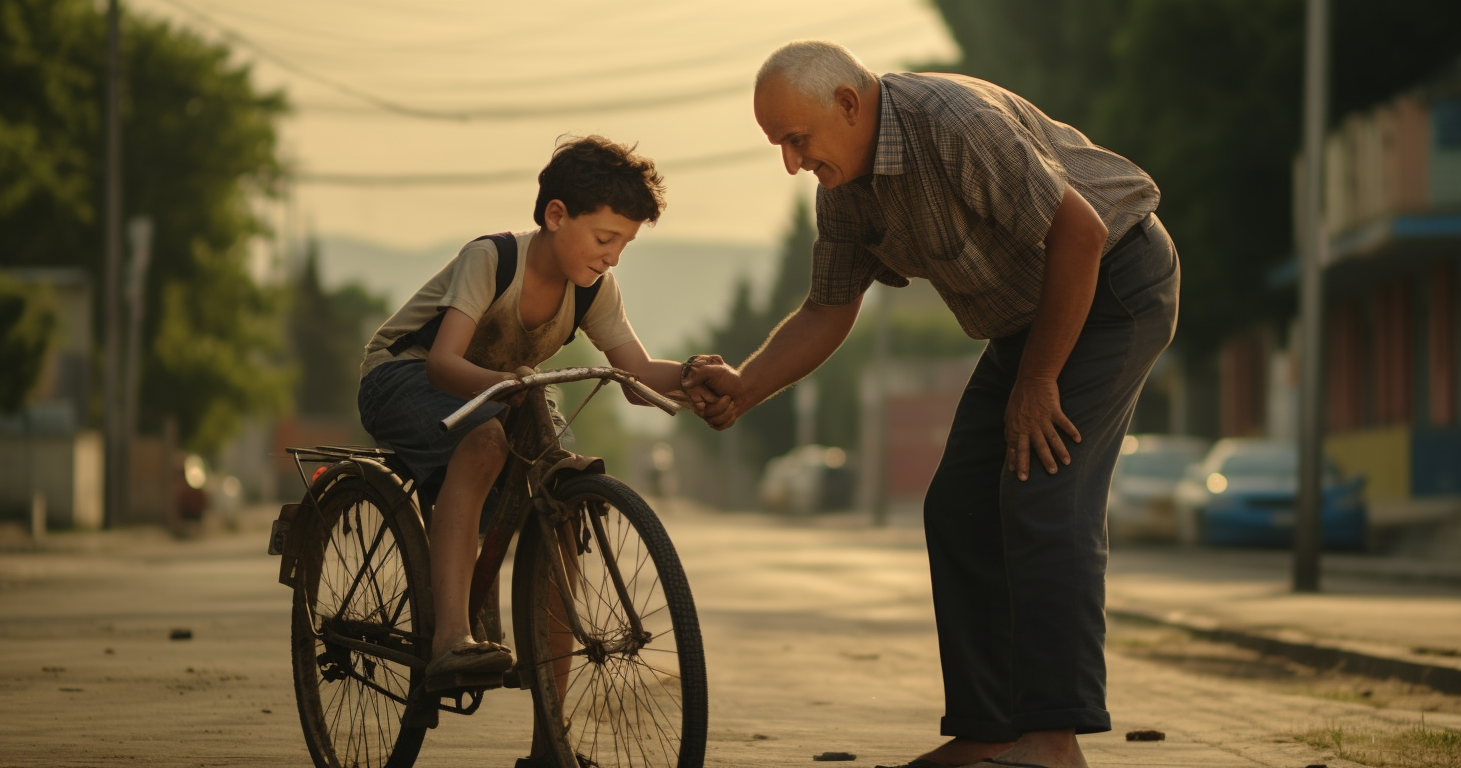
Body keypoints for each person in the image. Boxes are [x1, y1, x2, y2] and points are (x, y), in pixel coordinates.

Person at [682, 41, 1179, 768]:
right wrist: (747, 384)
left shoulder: (955, 123)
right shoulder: (844, 188)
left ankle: (1052, 742)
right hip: (1027, 322)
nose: (791, 163)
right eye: (778, 147)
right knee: (958, 507)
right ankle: (986, 734)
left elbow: (1081, 233)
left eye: (796, 139)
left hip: (1112, 288)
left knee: (1041, 492)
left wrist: (1038, 382)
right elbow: (827, 309)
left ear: (848, 105)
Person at [356, 135, 686, 692]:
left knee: (559, 497)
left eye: (623, 246)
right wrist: (504, 386)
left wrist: (703, 375)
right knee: (485, 442)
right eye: (605, 238)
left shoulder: (593, 290)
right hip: (402, 377)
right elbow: (442, 363)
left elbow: (636, 372)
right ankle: (450, 639)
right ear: (556, 215)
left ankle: (550, 735)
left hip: (500, 391)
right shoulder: (492, 259)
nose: (612, 256)